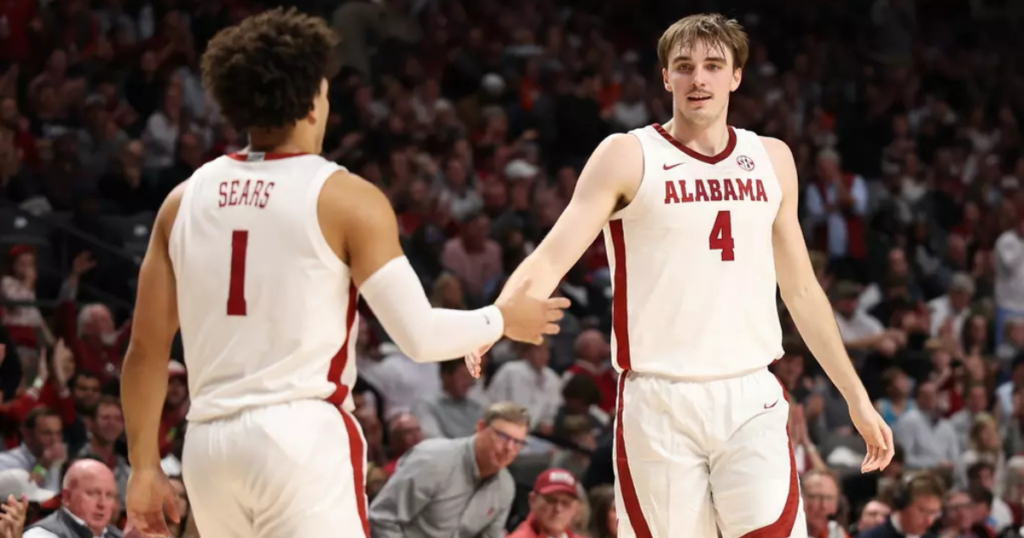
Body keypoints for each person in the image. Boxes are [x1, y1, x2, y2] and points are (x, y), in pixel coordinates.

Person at [119, 8, 569, 538]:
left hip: (209, 443)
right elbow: (420, 337)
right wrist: (500, 319)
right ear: (313, 101)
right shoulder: (345, 197)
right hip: (299, 437)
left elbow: (146, 351)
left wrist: (145, 467)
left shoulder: (181, 200)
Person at [467, 12, 894, 538]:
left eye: (714, 65)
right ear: (665, 76)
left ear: (736, 75)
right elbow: (551, 255)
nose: (699, 79)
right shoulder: (627, 155)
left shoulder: (772, 159)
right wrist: (494, 317)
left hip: (750, 393)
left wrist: (855, 396)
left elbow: (802, 289)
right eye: (684, 66)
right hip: (658, 398)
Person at [367, 402, 528, 538]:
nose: (509, 448)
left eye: (517, 442)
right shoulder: (432, 461)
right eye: (503, 437)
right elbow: (382, 519)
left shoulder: (505, 487)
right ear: (480, 427)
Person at [23, 459, 122, 538]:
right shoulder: (42, 535)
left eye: (109, 495)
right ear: (67, 497)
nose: (102, 504)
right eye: (93, 493)